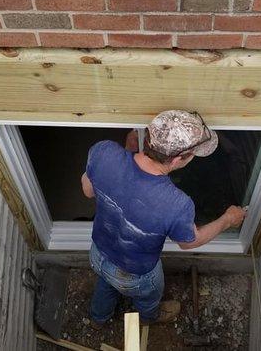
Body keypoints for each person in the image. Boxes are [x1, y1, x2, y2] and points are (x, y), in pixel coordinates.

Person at [81, 110, 246, 327]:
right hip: (135, 274)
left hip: (97, 254)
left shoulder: (104, 152)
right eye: (193, 154)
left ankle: (98, 318)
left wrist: (127, 153)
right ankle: (150, 317)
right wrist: (228, 219)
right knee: (148, 298)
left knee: (105, 281)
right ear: (178, 159)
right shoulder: (176, 204)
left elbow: (89, 191)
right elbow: (189, 242)